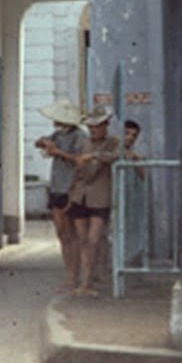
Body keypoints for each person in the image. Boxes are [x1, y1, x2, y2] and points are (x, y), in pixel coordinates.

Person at [66, 105, 119, 297]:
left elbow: (115, 156)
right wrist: (71, 196)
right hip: (80, 195)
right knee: (82, 240)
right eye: (91, 127)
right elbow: (77, 170)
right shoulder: (84, 143)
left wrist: (94, 156)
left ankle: (93, 277)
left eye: (97, 126)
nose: (94, 130)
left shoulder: (112, 142)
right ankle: (85, 281)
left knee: (94, 239)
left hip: (100, 197)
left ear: (105, 126)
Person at [34, 99, 85, 292]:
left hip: (71, 188)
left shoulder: (79, 136)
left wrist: (59, 152)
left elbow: (80, 160)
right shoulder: (58, 134)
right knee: (62, 234)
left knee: (72, 235)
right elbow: (40, 141)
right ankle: (69, 275)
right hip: (57, 187)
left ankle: (74, 276)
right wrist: (43, 142)